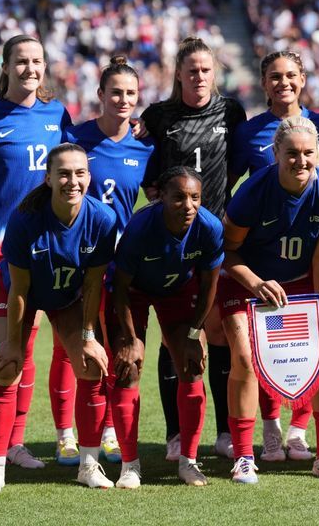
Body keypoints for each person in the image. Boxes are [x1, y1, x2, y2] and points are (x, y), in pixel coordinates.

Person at [0, 34, 71, 473]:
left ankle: (14, 443)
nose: (30, 69)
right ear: (5, 66)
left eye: (37, 61)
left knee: (22, 347)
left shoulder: (57, 115)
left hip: (36, 251)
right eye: (21, 61)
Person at [0, 143, 117, 494]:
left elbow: (93, 282)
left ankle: (88, 464)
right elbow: (19, 289)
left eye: (80, 173)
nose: (73, 181)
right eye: (64, 174)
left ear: (89, 176)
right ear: (49, 178)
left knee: (90, 364)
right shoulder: (25, 218)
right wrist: (12, 343)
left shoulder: (103, 218)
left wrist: (88, 335)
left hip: (67, 298)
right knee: (7, 367)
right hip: (14, 293)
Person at [220, 115, 319, 484]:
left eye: (309, 153)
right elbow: (227, 251)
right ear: (276, 153)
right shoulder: (254, 191)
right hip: (246, 282)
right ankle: (244, 456)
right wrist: (257, 283)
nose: (301, 161)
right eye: (292, 153)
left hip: (301, 283)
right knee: (244, 357)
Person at [141, 36, 246, 460]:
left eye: (205, 69)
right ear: (178, 74)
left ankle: (223, 432)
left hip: (215, 235)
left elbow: (241, 161)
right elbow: (144, 168)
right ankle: (175, 435)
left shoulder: (232, 111)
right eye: (191, 70)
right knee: (175, 337)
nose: (199, 76)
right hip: (171, 238)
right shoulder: (158, 115)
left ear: (214, 73)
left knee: (217, 331)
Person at [49, 56, 155, 466]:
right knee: (67, 347)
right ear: (101, 96)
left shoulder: (145, 144)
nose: (123, 100)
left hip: (118, 263)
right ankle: (65, 434)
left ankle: (109, 430)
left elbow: (157, 195)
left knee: (111, 346)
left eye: (130, 93)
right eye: (116, 92)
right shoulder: (76, 138)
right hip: (73, 257)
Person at [230, 50, 319, 462]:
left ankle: (298, 431)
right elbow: (230, 183)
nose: (283, 82)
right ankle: (270, 428)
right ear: (263, 81)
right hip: (261, 255)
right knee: (268, 348)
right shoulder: (250, 132)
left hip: (307, 254)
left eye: (291, 75)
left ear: (303, 78)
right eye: (275, 76)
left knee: (308, 347)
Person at [110, 166, 224, 488]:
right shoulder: (141, 228)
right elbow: (118, 288)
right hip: (132, 294)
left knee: (192, 365)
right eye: (179, 197)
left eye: (195, 197)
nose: (188, 205)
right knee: (127, 367)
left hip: (178, 292)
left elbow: (208, 287)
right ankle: (130, 465)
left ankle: (188, 461)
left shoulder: (210, 228)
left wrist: (193, 334)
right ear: (161, 197)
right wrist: (131, 338)